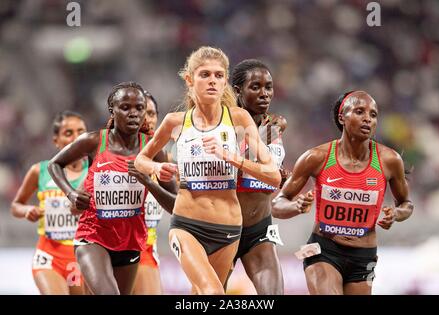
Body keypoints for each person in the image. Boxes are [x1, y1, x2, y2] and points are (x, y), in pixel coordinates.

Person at [134, 46, 281, 295]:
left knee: (201, 294)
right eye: (204, 75)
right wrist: (158, 167)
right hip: (187, 225)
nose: (212, 80)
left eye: (218, 75)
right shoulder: (175, 122)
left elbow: (273, 175)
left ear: (225, 82)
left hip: (229, 228)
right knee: (213, 293)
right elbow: (140, 160)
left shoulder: (239, 119)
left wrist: (232, 158)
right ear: (190, 80)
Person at [272, 90, 414, 295]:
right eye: (359, 112)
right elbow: (278, 204)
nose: (367, 119)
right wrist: (296, 206)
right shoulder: (317, 157)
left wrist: (397, 214)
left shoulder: (389, 160)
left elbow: (406, 204)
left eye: (373, 115)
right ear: (342, 117)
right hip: (322, 250)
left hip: (364, 256)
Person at [47, 81, 169, 295]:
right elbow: (54, 164)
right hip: (93, 237)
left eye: (139, 108)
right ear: (113, 110)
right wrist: (71, 193)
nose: (133, 113)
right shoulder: (94, 141)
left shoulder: (153, 149)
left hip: (130, 241)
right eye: (125, 107)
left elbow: (174, 202)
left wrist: (148, 182)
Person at [10, 110, 88, 295]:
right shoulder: (40, 171)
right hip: (48, 257)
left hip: (80, 259)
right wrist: (27, 210)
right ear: (56, 140)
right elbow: (15, 205)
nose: (76, 137)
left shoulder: (95, 171)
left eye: (80, 131)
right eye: (68, 133)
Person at [228, 59, 287, 294]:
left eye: (268, 87)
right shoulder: (223, 127)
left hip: (259, 229)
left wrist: (281, 176)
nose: (264, 94)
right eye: (255, 87)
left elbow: (271, 174)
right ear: (237, 91)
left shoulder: (275, 126)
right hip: (223, 229)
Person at [133, 91, 177, 295]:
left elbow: (178, 203)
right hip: (116, 245)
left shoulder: (165, 157)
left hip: (148, 245)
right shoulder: (112, 150)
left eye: (152, 113)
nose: (147, 119)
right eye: (142, 112)